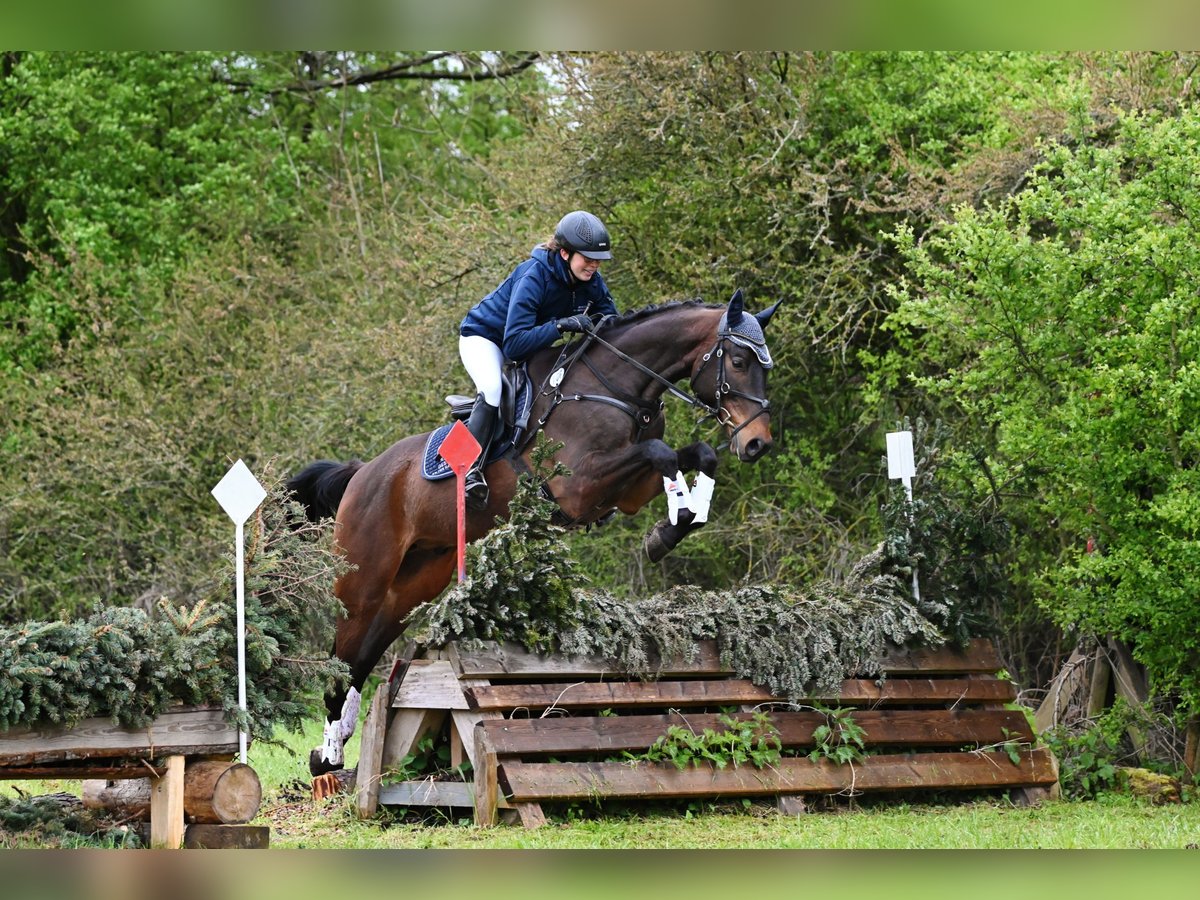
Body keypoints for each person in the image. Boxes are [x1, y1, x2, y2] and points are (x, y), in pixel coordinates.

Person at [458, 209, 618, 508]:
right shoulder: (534, 275)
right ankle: (470, 470)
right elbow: (514, 344)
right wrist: (561, 325)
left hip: (530, 344)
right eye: (588, 258)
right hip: (486, 339)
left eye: (598, 260)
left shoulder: (590, 279)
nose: (594, 265)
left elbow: (613, 322)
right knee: (493, 389)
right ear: (565, 253)